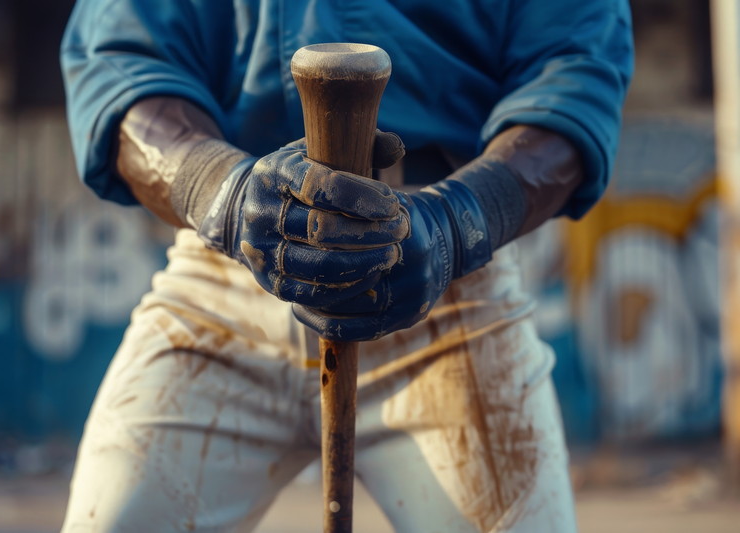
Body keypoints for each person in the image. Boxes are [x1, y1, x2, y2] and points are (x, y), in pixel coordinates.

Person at [59, 1, 633, 531]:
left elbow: (575, 74)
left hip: (446, 278)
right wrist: (224, 195)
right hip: (225, 272)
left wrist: (455, 225)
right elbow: (122, 64)